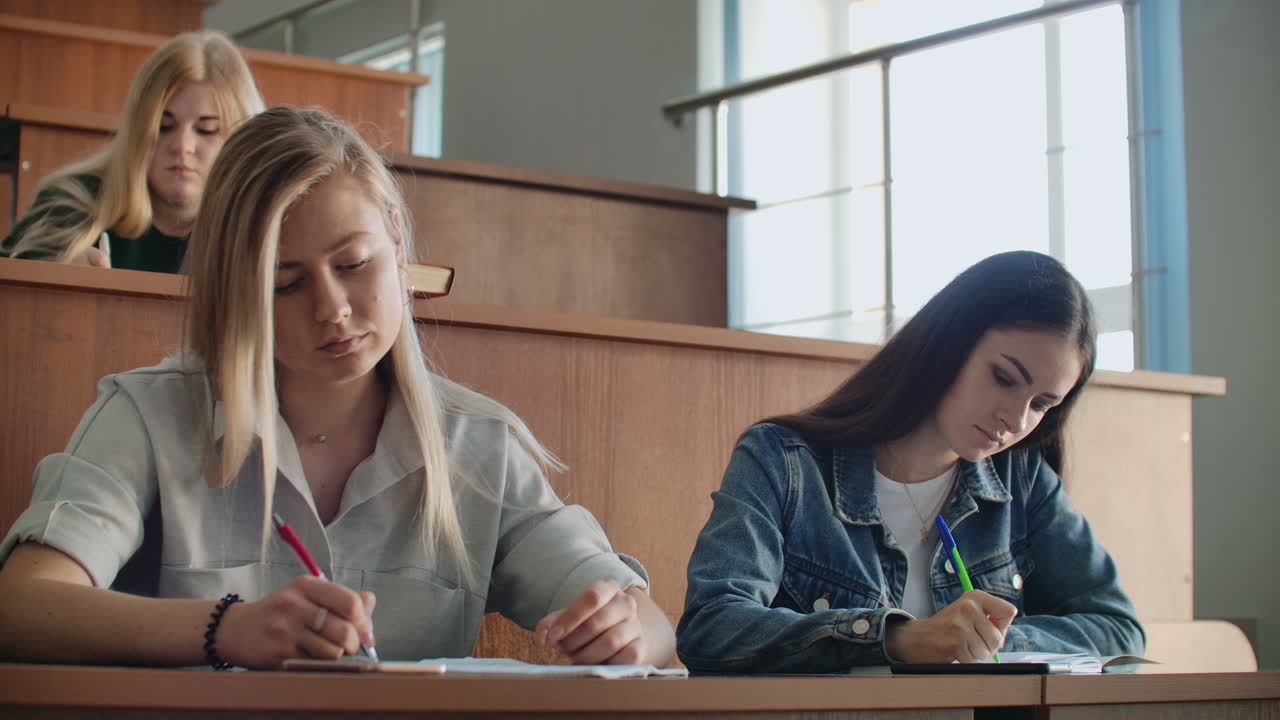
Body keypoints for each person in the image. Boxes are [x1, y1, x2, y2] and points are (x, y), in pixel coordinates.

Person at [0, 106, 676, 670]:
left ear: (398, 243)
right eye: (285, 283)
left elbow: (639, 616)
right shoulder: (147, 415)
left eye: (354, 264)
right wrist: (225, 629)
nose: (333, 310)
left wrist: (624, 627)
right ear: (239, 293)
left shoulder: (479, 444)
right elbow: (21, 605)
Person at [676, 251, 1144, 674]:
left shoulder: (1022, 480)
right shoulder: (783, 461)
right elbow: (712, 627)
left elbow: (1119, 630)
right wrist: (896, 638)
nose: (1016, 419)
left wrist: (988, 639)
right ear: (949, 341)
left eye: (1042, 404)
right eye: (1003, 378)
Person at [0, 30, 263, 272]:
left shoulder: (265, 224)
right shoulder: (72, 202)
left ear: (240, 142)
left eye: (206, 129)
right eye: (164, 126)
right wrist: (57, 276)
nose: (183, 147)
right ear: (138, 130)